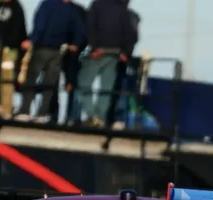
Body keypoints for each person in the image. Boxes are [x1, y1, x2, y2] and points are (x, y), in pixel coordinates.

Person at [14, 0, 85, 123]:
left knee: (31, 79)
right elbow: (79, 29)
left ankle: (25, 111)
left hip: (41, 48)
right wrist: (75, 43)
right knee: (49, 84)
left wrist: (32, 40)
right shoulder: (71, 10)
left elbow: (40, 24)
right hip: (58, 51)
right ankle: (42, 114)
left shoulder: (47, 4)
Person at [78, 0, 137, 128]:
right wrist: (125, 52)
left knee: (84, 83)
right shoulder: (122, 9)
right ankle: (101, 118)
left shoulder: (97, 4)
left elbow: (90, 26)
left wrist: (94, 47)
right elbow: (130, 34)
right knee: (107, 88)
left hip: (99, 51)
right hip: (115, 53)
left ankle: (92, 117)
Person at [0, 0, 28, 118]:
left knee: (6, 79)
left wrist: (20, 49)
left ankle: (6, 110)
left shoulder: (17, 7)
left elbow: (21, 28)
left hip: (10, 50)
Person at [49, 0, 87, 124]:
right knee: (54, 82)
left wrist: (77, 46)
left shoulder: (53, 7)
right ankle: (59, 114)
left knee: (71, 84)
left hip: (71, 54)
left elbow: (85, 33)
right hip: (60, 51)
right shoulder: (77, 10)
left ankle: (70, 116)